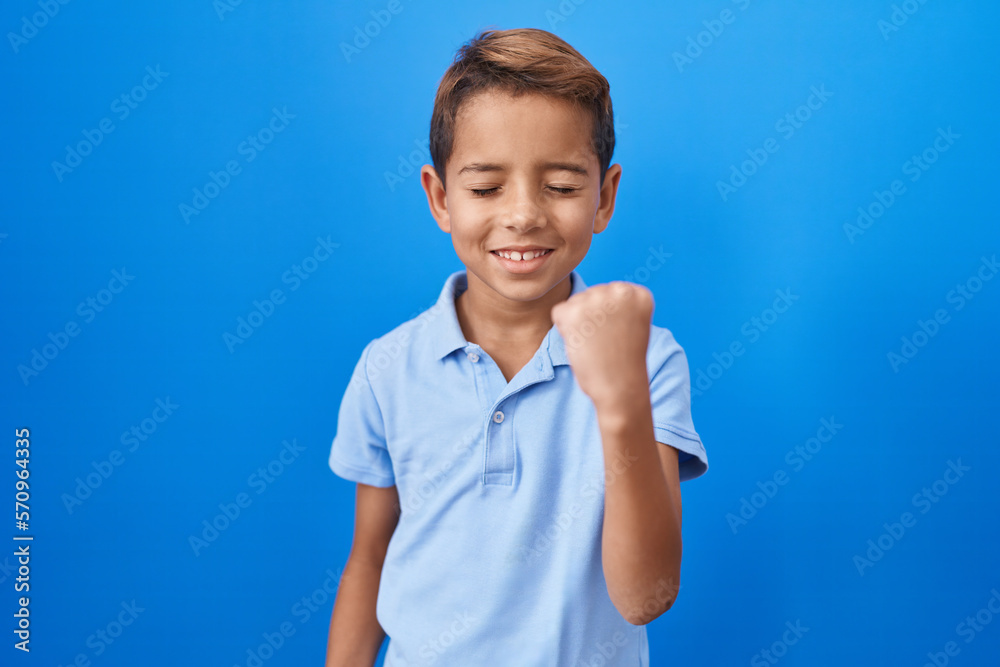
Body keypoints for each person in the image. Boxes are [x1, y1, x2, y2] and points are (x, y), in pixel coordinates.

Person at [325, 26, 708, 667]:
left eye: (561, 186)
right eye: (485, 188)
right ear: (441, 197)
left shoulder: (649, 360)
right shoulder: (386, 368)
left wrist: (620, 403)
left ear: (604, 197)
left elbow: (646, 596)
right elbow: (369, 559)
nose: (524, 214)